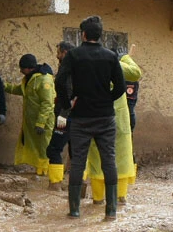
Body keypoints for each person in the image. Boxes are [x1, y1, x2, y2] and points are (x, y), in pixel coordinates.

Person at [57, 16, 126, 221]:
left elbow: (60, 80)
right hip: (105, 117)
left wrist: (68, 103)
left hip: (81, 117)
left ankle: (75, 210)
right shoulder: (110, 56)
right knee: (109, 160)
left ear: (83, 34)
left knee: (78, 161)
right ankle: (111, 210)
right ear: (100, 34)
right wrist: (106, 99)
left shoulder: (74, 55)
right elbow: (121, 87)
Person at [85, 49, 143, 206]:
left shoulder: (88, 65)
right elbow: (136, 73)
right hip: (119, 122)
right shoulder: (115, 65)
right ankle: (120, 198)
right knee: (122, 158)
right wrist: (126, 58)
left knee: (97, 158)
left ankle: (98, 199)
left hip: (96, 118)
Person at [3, 53, 56, 175]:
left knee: (44, 147)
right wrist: (5, 87)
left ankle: (46, 172)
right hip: (32, 121)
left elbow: (47, 103)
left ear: (29, 68)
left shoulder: (44, 80)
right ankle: (40, 170)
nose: (21, 71)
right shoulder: (30, 79)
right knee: (37, 146)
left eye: (22, 68)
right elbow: (22, 90)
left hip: (44, 122)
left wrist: (41, 123)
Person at [44, 41, 76, 189]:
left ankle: (55, 184)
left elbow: (68, 93)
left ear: (64, 52)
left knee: (54, 148)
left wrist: (63, 114)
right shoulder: (79, 67)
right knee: (76, 150)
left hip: (66, 116)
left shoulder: (67, 69)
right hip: (78, 116)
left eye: (58, 53)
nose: (57, 56)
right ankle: (78, 185)